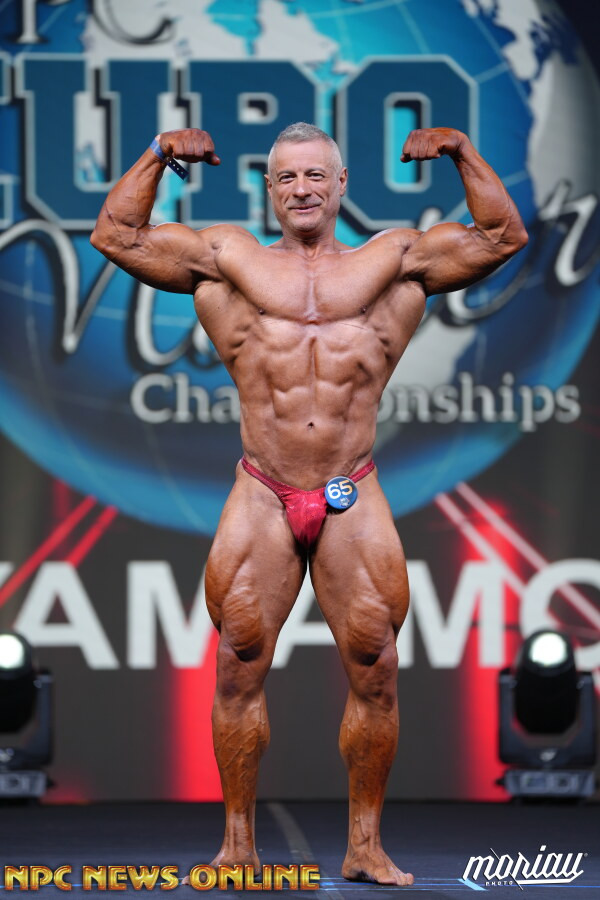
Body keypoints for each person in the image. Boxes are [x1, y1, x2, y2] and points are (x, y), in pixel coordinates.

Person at [91, 122, 527, 886]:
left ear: (341, 184)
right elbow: (116, 235)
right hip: (263, 489)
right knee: (238, 664)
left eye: (315, 176)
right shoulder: (227, 258)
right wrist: (158, 154)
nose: (302, 189)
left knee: (376, 665)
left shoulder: (393, 261)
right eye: (287, 177)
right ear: (269, 188)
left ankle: (365, 846)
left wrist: (461, 151)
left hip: (350, 487)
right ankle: (237, 846)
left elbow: (501, 236)